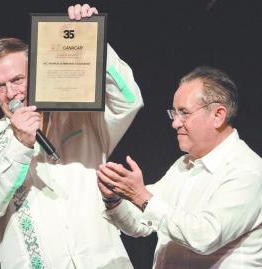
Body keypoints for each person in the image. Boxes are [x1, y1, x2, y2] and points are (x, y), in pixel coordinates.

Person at [0, 4, 144, 268]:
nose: (10, 93)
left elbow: (129, 100)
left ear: (38, 72)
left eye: (18, 79)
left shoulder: (81, 115)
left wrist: (91, 38)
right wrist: (19, 144)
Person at [97, 66, 262, 268]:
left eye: (184, 113)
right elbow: (142, 222)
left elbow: (204, 236)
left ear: (218, 115)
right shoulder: (184, 165)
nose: (175, 123)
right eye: (173, 113)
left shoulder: (247, 171)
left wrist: (140, 196)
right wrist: (114, 198)